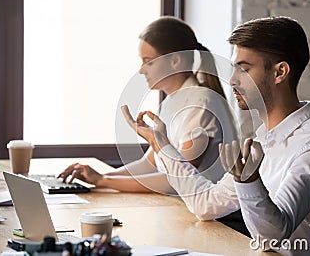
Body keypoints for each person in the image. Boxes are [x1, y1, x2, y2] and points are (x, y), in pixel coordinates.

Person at [122, 16, 310, 255]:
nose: (232, 80)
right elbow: (205, 205)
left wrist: (248, 182)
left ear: (280, 72)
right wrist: (162, 144)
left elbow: (273, 237)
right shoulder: (262, 140)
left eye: (243, 69)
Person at [58, 16, 236, 194]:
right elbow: (149, 165)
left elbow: (179, 179)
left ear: (175, 61)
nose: (142, 69)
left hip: (213, 218)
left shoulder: (200, 104)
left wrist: (104, 181)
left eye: (148, 61)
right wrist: (96, 179)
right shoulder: (171, 102)